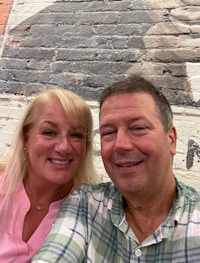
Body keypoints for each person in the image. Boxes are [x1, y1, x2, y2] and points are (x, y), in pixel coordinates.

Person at [32, 76, 200, 263]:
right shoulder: (86, 205)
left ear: (171, 139)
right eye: (109, 133)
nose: (121, 145)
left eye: (138, 128)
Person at [0, 88, 99, 262]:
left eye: (76, 135)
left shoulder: (89, 212)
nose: (64, 147)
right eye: (49, 132)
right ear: (26, 138)